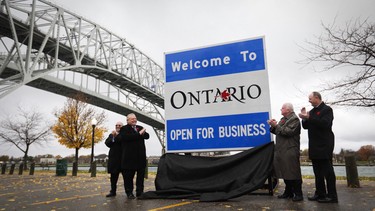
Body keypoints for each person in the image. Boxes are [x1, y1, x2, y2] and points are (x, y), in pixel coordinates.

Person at [298, 91, 338, 203]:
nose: (309, 100)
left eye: (310, 98)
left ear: (317, 97)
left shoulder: (327, 110)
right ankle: (320, 193)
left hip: (325, 144)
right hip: (314, 145)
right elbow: (305, 126)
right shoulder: (311, 112)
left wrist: (309, 118)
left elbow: (325, 124)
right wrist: (304, 118)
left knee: (328, 172)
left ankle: (332, 196)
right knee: (317, 172)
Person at [268, 103, 303, 202]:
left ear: (288, 110)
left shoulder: (294, 119)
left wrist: (277, 125)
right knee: (285, 171)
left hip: (290, 149)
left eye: (282, 108)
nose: (281, 109)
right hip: (282, 150)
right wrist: (273, 126)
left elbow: (288, 132)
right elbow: (279, 131)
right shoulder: (283, 119)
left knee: (293, 172)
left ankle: (298, 194)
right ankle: (289, 192)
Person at [116, 113, 149, 199]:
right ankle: (129, 192)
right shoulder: (124, 129)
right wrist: (139, 134)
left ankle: (140, 192)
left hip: (140, 157)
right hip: (129, 158)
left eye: (135, 118)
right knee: (128, 177)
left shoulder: (140, 127)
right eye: (132, 119)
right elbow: (127, 138)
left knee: (141, 177)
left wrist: (143, 133)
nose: (134, 120)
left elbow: (147, 136)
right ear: (127, 120)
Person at [104, 121, 124, 197]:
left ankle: (129, 192)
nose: (118, 126)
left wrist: (116, 136)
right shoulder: (111, 135)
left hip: (123, 159)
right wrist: (113, 136)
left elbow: (122, 142)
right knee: (113, 177)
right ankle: (113, 191)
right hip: (114, 160)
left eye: (120, 125)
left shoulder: (124, 135)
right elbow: (107, 143)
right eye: (116, 125)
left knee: (127, 177)